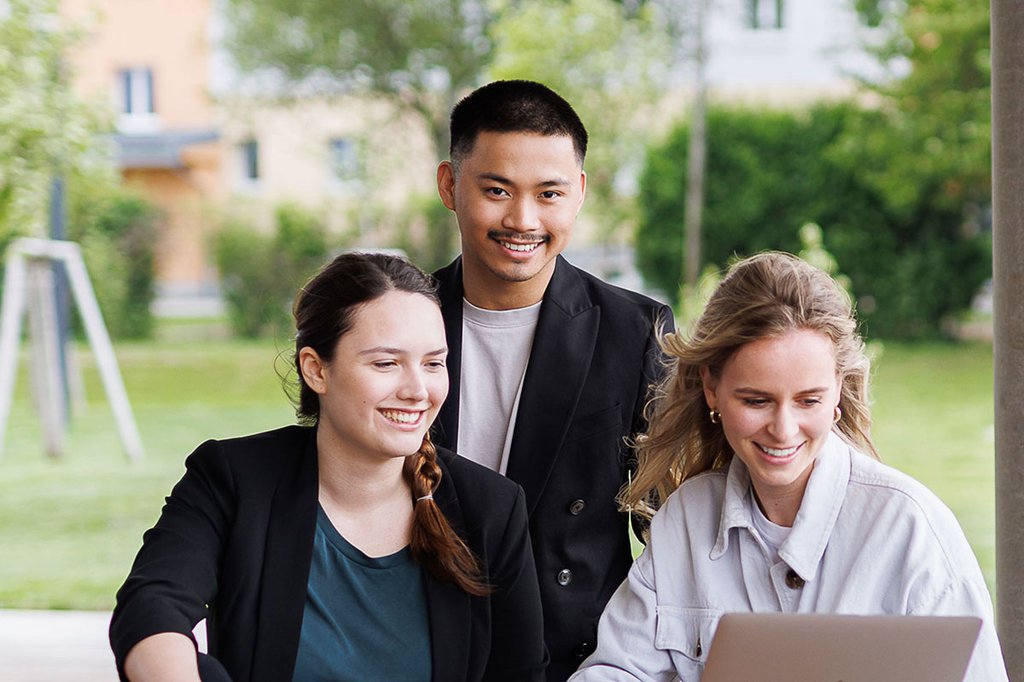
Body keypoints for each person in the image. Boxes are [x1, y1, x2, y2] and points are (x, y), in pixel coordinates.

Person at [569, 251, 1008, 681]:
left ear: (838, 390)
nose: (783, 429)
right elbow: (616, 669)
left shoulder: (911, 529)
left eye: (809, 400)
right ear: (711, 389)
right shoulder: (687, 519)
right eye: (756, 400)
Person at [109, 252, 547, 682]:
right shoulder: (233, 479)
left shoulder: (490, 507)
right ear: (316, 370)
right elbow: (152, 607)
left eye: (433, 363)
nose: (419, 390)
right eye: (386, 363)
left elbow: (521, 671)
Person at [433, 79, 674, 681]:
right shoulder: (397, 318)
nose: (523, 220)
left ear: (580, 193)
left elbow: (672, 529)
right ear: (448, 186)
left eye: (549, 193)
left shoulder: (636, 331)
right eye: (496, 190)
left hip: (574, 661)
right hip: (418, 644)